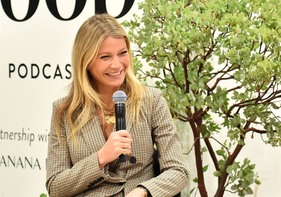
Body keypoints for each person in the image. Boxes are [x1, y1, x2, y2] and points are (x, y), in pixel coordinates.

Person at [46, 14, 189, 197]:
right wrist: (100, 158)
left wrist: (143, 191)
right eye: (105, 57)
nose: (117, 65)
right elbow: (55, 187)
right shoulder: (65, 112)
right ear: (86, 62)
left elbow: (178, 171)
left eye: (122, 53)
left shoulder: (151, 100)